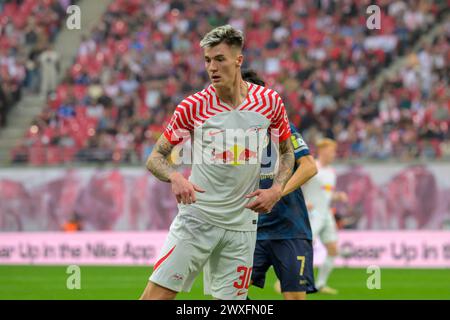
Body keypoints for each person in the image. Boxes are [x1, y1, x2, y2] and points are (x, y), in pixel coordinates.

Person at [140, 25, 294, 300]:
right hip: (198, 219)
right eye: (208, 60)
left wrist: (276, 189)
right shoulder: (193, 107)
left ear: (239, 60)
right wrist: (175, 177)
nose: (212, 67)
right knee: (156, 297)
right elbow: (156, 157)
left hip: (243, 225)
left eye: (219, 59)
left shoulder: (269, 102)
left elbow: (286, 152)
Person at [240, 70, 318, 300]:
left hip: (289, 229)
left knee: (294, 297)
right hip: (249, 230)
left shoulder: (282, 128)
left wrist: (277, 192)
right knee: (231, 293)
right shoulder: (232, 134)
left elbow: (309, 166)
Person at [302, 138, 348, 295]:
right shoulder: (311, 167)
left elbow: (325, 195)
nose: (334, 155)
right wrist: (304, 202)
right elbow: (298, 187)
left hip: (326, 213)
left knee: (333, 249)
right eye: (331, 151)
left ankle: (320, 284)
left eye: (335, 152)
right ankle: (286, 281)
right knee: (303, 248)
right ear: (322, 151)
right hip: (312, 214)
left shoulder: (331, 172)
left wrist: (337, 196)